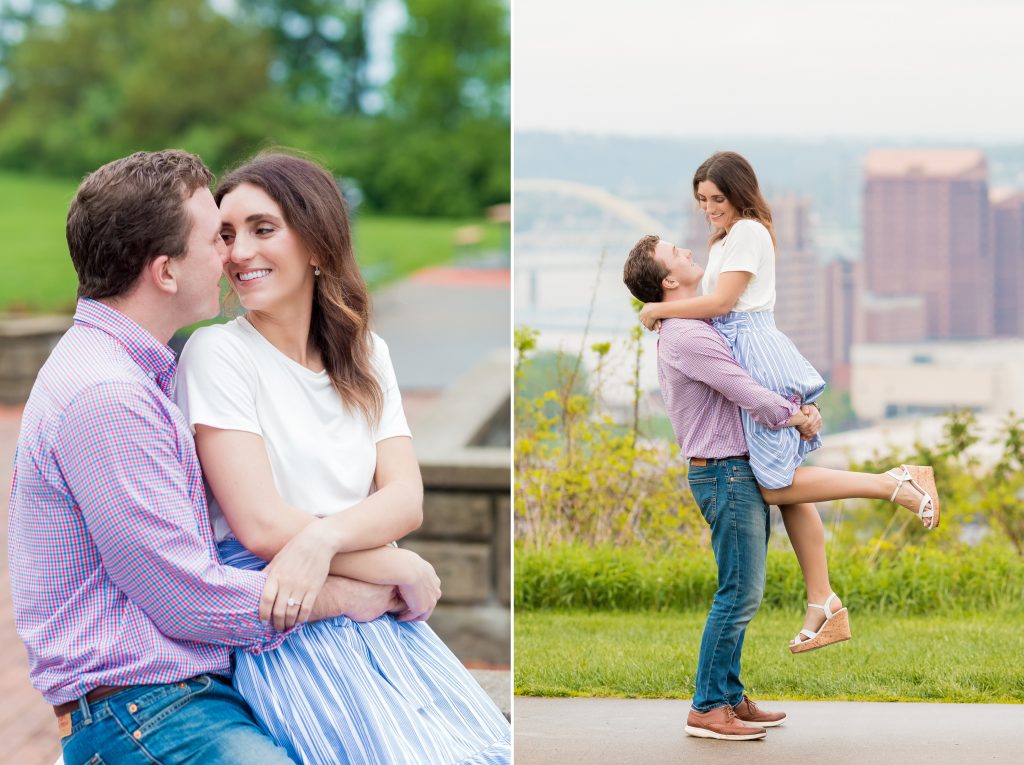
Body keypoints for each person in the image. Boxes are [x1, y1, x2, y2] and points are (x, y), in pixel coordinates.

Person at [8, 150, 403, 765]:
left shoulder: (134, 372)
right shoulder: (108, 396)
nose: (232, 255)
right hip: (140, 708)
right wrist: (354, 595)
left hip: (180, 694)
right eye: (215, 237)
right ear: (166, 271)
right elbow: (190, 598)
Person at [173, 151, 511, 765]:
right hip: (288, 620)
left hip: (377, 615)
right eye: (226, 235)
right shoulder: (216, 355)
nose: (239, 252)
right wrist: (395, 566)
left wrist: (331, 542)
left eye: (262, 228)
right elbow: (260, 525)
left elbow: (405, 499)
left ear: (318, 246)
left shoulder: (366, 352)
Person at [629, 153, 939, 653]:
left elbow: (724, 306)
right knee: (785, 484)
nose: (709, 209)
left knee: (777, 485)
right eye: (703, 201)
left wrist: (660, 309)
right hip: (745, 350)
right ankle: (823, 603)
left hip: (754, 349)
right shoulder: (725, 240)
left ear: (739, 194)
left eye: (717, 199)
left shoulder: (748, 231)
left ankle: (893, 484)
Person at [623, 233, 821, 740]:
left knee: (743, 592)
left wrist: (800, 407)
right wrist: (795, 417)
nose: (688, 252)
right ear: (669, 280)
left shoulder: (692, 322)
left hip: (734, 468)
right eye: (676, 253)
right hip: (724, 472)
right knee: (738, 593)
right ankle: (708, 707)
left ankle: (730, 697)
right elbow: (744, 388)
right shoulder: (688, 334)